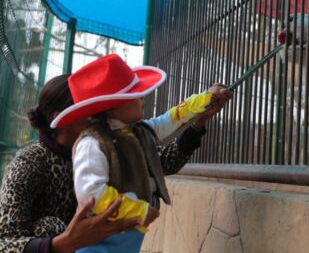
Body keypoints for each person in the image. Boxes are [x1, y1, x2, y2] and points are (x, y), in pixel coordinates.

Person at [0, 56, 232, 253]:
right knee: (50, 227)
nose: (97, 117)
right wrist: (63, 243)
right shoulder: (31, 163)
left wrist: (197, 122)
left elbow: (161, 163)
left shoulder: (109, 142)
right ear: (66, 118)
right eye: (88, 109)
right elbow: (5, 242)